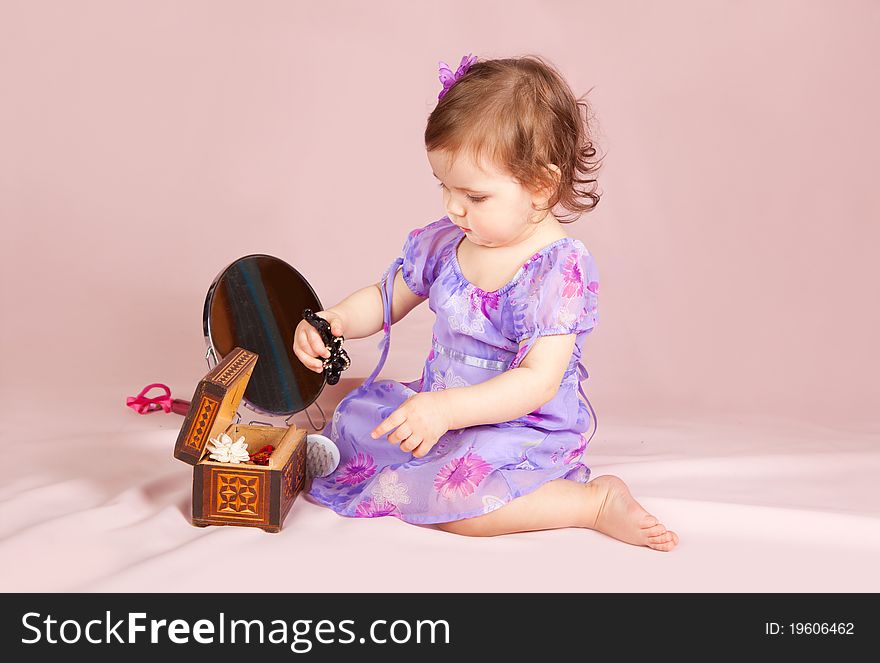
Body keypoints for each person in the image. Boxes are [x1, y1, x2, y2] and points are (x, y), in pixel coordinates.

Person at [295, 54, 678, 551]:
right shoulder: (446, 242)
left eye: (474, 196)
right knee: (357, 420)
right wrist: (337, 321)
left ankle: (592, 503)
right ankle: (406, 441)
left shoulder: (555, 270)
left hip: (516, 422)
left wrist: (448, 411)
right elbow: (386, 298)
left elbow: (537, 382)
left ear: (540, 185)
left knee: (457, 503)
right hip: (442, 406)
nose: (453, 208)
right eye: (445, 188)